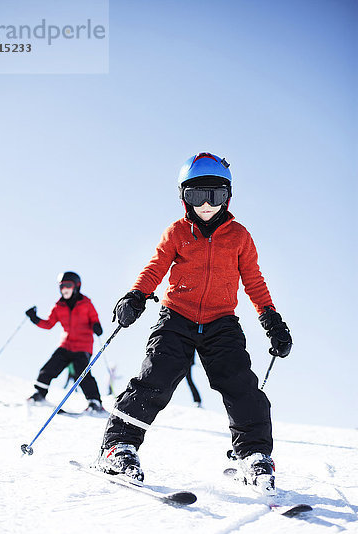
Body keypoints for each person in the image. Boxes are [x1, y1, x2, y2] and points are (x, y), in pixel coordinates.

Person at [96, 152, 292, 493]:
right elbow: (155, 268)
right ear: (183, 196)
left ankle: (255, 456)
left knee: (241, 387)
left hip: (222, 323)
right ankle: (118, 446)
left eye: (214, 195)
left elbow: (255, 281)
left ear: (227, 197)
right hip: (176, 317)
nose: (205, 205)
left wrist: (272, 320)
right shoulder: (177, 232)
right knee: (154, 378)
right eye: (196, 195)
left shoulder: (239, 237)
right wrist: (135, 295)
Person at [25, 271, 104, 413]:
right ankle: (40, 394)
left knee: (83, 373)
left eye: (68, 285)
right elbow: (49, 324)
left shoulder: (86, 303)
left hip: (83, 346)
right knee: (49, 367)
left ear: (76, 286)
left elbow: (94, 319)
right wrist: (35, 318)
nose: (64, 289)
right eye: (61, 286)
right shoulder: (58, 306)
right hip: (66, 344)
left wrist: (96, 326)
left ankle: (94, 401)